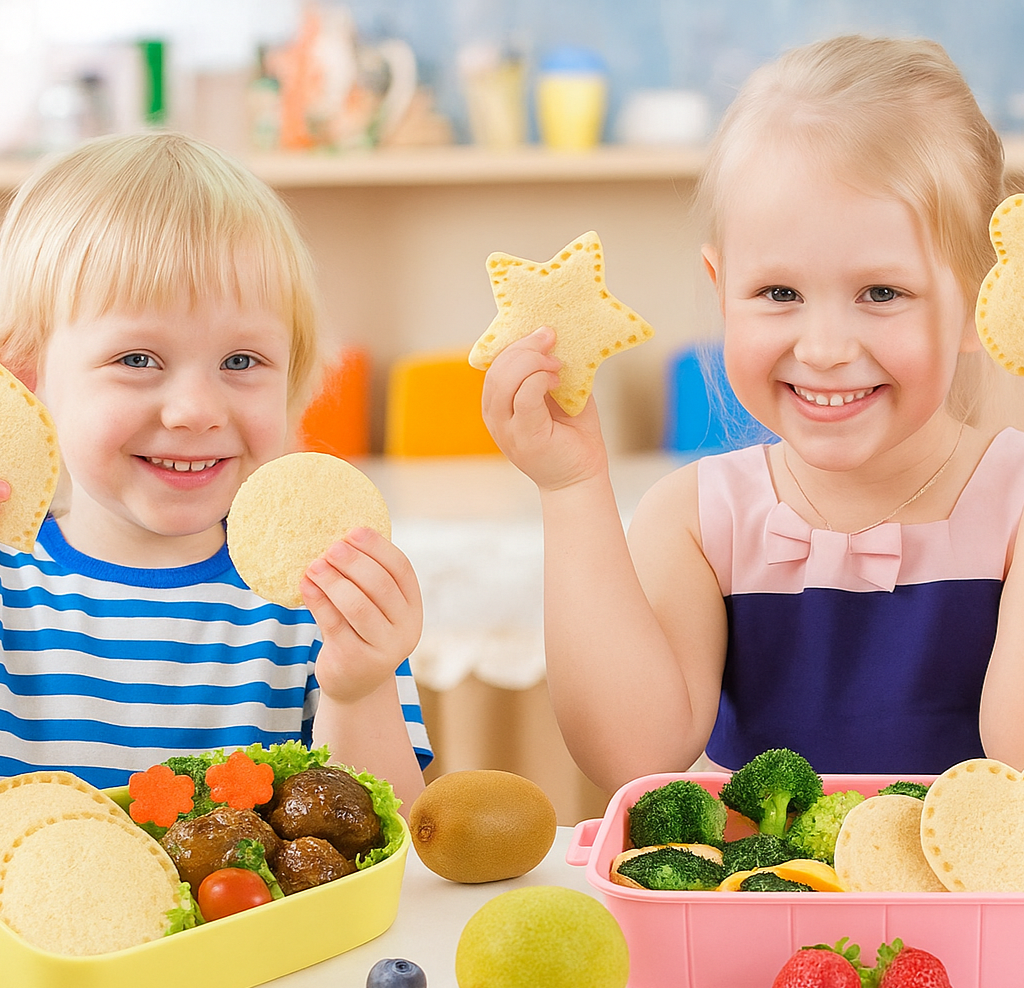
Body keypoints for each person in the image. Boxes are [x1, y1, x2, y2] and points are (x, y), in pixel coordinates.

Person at [480, 34, 1024, 793]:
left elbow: (1016, 755)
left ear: (982, 303)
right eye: (779, 294)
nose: (826, 347)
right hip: (754, 904)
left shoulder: (1014, 504)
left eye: (881, 293)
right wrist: (571, 492)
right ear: (721, 282)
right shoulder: (700, 518)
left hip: (963, 907)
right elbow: (633, 759)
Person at [0, 130, 430, 807]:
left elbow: (387, 843)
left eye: (240, 362)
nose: (197, 410)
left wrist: (359, 687)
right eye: (137, 359)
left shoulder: (316, 605)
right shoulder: (9, 593)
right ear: (26, 379)